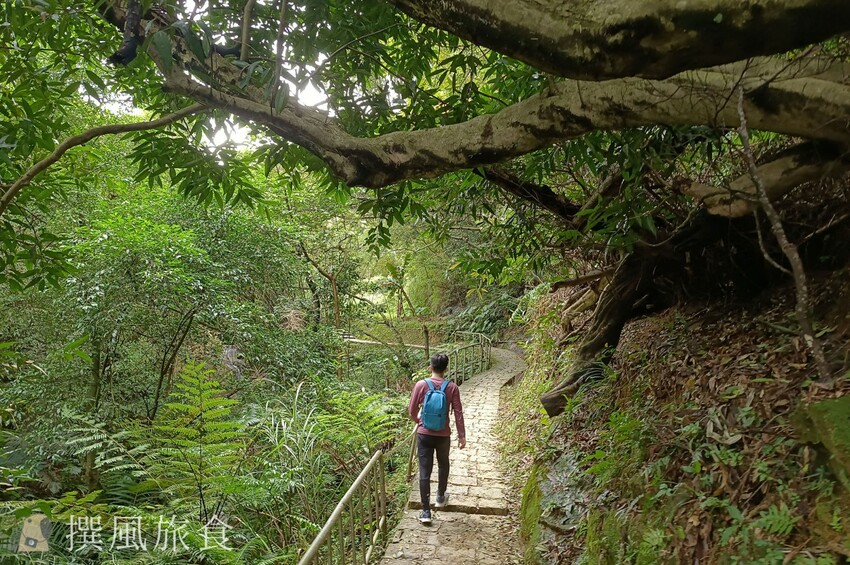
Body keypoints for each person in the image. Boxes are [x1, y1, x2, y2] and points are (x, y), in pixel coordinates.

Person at [408, 353, 466, 525]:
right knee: (443, 464)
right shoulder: (452, 388)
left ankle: (426, 511)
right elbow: (458, 412)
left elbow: (411, 410)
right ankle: (440, 496)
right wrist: (462, 436)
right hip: (443, 435)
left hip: (424, 434)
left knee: (424, 471)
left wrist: (419, 421)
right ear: (446, 369)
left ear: (430, 368)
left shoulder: (421, 385)